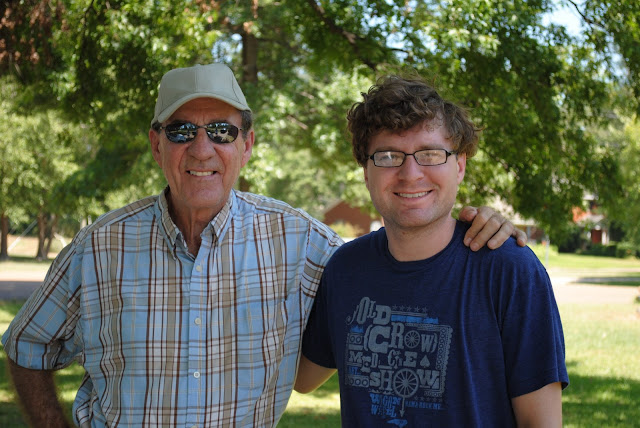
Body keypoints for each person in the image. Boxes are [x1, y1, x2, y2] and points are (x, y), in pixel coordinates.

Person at [2, 63, 526, 428]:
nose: (202, 149)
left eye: (222, 131)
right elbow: (27, 347)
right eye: (182, 131)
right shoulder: (100, 246)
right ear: (156, 144)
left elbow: (398, 255)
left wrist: (476, 223)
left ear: (247, 144)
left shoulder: (300, 241)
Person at [295, 74, 568, 427]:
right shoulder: (346, 268)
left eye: (430, 154)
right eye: (388, 156)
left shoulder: (509, 268)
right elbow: (302, 378)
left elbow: (542, 422)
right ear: (366, 172)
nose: (410, 173)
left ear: (459, 166)